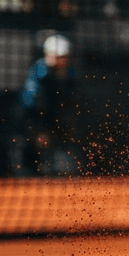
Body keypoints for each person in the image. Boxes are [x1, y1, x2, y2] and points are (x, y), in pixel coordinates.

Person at [17, 34, 83, 176]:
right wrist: (39, 130)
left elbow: (72, 101)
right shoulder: (39, 73)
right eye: (56, 56)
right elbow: (29, 104)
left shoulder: (70, 74)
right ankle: (29, 171)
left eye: (63, 57)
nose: (59, 60)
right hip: (34, 118)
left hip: (57, 117)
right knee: (32, 145)